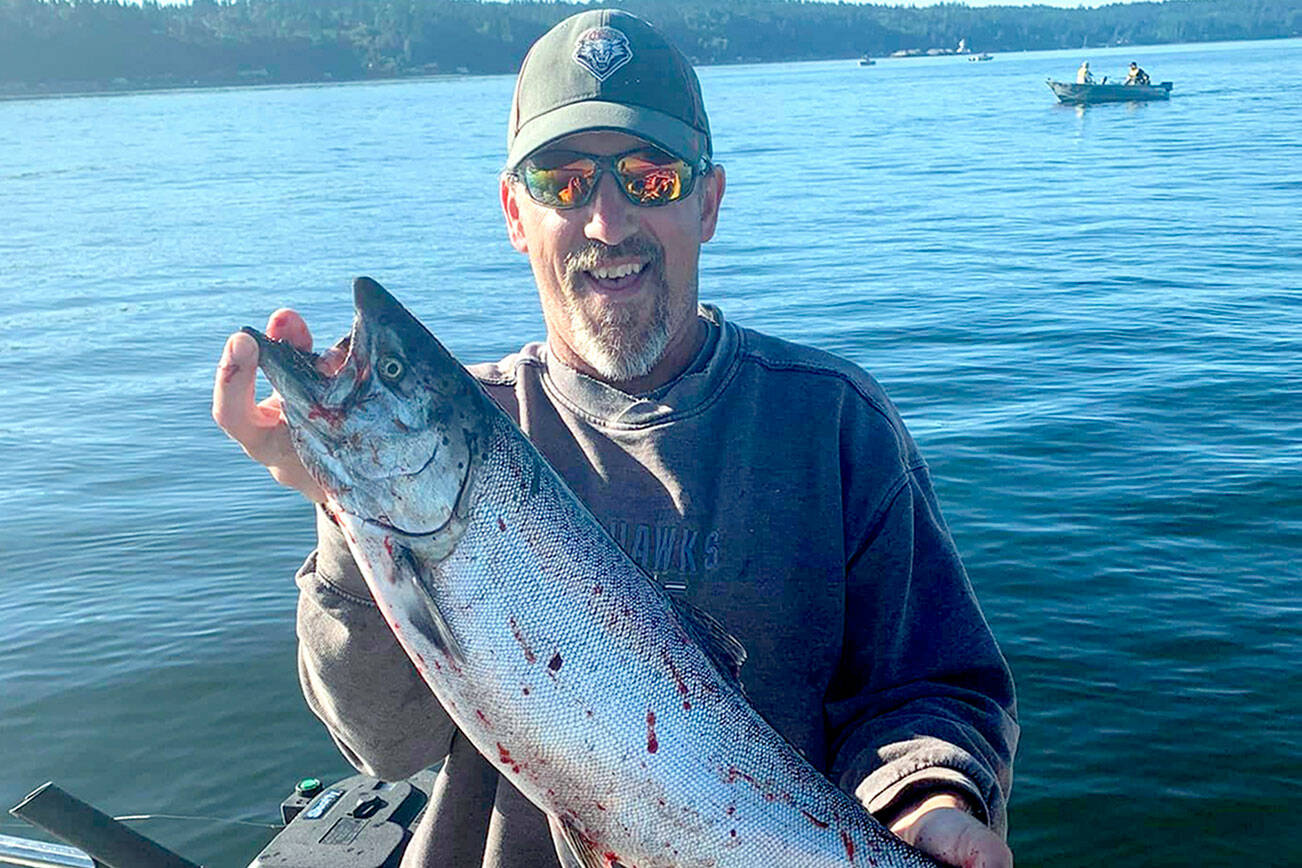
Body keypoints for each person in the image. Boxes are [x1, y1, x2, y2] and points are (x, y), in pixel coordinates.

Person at [213, 9, 1018, 868]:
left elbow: (929, 686)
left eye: (652, 177)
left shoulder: (834, 424)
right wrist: (342, 517)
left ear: (708, 201)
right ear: (514, 213)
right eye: (562, 181)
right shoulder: (482, 424)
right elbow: (388, 746)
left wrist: (933, 795)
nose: (607, 221)